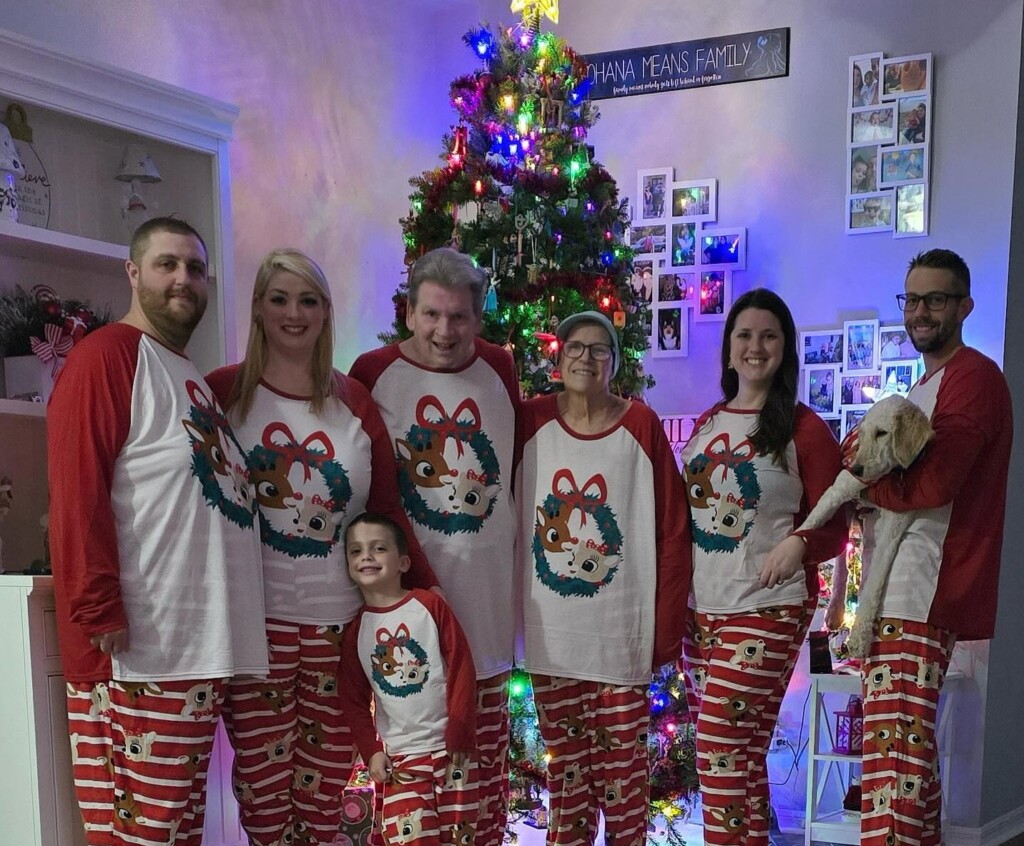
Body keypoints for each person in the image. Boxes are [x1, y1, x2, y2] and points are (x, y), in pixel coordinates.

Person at [205, 249, 439, 846]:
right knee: (263, 793)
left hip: (340, 629)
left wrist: (428, 593)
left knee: (326, 789)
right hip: (257, 627)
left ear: (325, 312)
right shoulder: (223, 394)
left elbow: (386, 510)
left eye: (308, 300)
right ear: (258, 307)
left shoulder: (354, 401)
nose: (293, 313)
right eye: (279, 298)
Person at [47, 217, 268, 846]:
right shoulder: (106, 358)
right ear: (133, 272)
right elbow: (76, 491)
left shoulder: (189, 375)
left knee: (175, 831)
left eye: (195, 269)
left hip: (195, 647)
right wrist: (96, 605)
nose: (182, 280)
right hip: (140, 653)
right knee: (142, 834)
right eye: (166, 264)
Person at [348, 247, 518, 845]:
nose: (445, 331)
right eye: (432, 316)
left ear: (478, 317)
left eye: (460, 318)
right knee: (410, 806)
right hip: (405, 623)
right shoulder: (371, 372)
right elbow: (366, 490)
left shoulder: (501, 367)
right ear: (409, 313)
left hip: (490, 623)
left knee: (480, 801)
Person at [847, 249, 1012, 846]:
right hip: (900, 596)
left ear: (964, 305)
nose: (920, 312)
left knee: (895, 765)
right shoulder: (927, 384)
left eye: (935, 299)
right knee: (902, 759)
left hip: (923, 591)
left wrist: (868, 482)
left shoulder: (974, 379)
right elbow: (862, 455)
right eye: (911, 299)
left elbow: (935, 484)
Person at [517, 310, 691, 846]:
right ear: (558, 355)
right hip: (552, 642)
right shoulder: (529, 422)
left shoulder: (640, 425)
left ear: (615, 362)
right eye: (575, 347)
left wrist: (664, 633)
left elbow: (672, 529)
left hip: (620, 642)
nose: (585, 358)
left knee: (624, 787)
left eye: (599, 349)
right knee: (568, 784)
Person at [680, 288, 846, 846]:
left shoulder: (804, 428)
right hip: (701, 610)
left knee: (717, 743)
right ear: (729, 349)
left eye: (768, 336)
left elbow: (835, 522)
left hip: (767, 605)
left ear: (785, 350)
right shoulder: (708, 422)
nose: (755, 346)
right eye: (745, 335)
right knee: (744, 756)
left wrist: (799, 541)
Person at [338, 513, 478, 845]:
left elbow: (461, 664)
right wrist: (372, 751)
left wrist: (460, 730)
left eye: (378, 548)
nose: (366, 556)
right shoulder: (358, 629)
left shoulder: (428, 606)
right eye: (355, 551)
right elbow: (352, 699)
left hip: (451, 753)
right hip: (401, 759)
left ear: (403, 562)